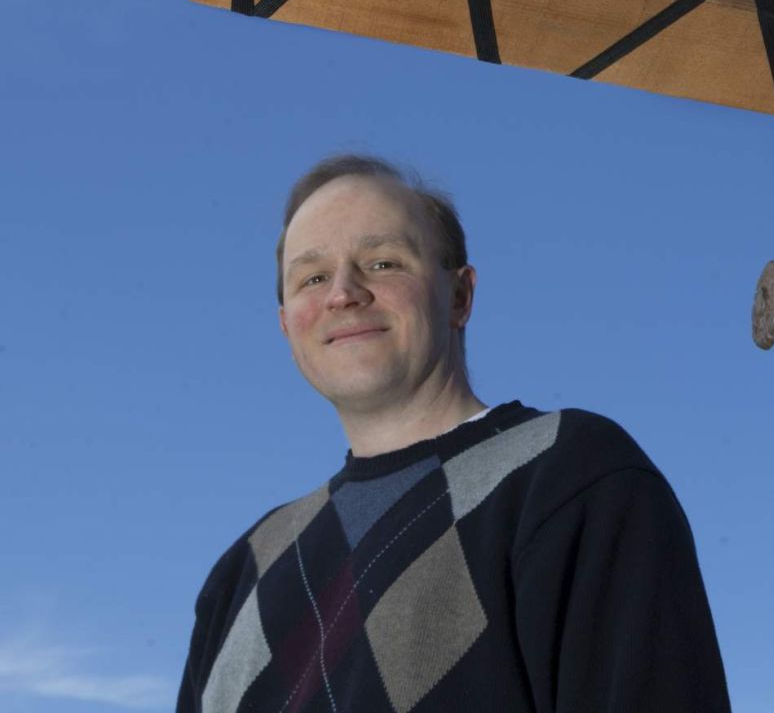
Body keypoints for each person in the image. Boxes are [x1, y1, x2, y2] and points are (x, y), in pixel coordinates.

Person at [177, 155, 731, 713]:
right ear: (285, 324)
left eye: (383, 262)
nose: (343, 293)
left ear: (460, 297)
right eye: (313, 277)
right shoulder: (242, 571)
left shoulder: (570, 476)